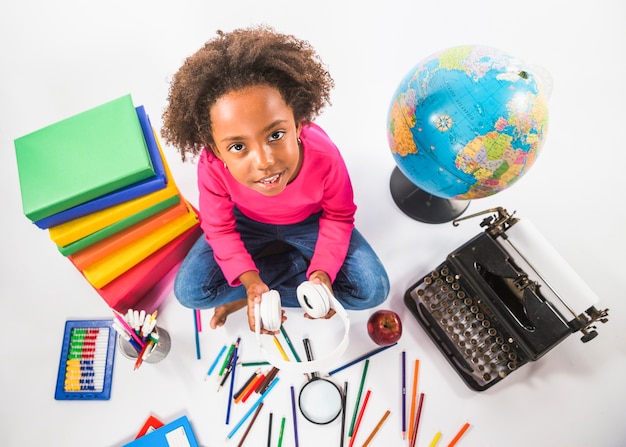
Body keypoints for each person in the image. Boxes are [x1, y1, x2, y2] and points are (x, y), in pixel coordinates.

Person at [161, 25, 389, 334]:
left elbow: (338, 215)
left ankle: (272, 284)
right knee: (190, 292)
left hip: (311, 222)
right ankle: (262, 289)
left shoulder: (324, 155)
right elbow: (219, 228)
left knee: (372, 290)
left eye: (276, 134)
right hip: (247, 224)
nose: (265, 162)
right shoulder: (212, 166)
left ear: (298, 123)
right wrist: (250, 282)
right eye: (238, 147)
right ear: (216, 149)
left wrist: (322, 272)